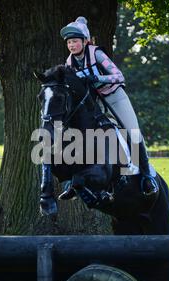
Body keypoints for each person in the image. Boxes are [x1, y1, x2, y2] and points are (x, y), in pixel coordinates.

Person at [57, 16, 159, 200]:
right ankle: (72, 181)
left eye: (75, 41)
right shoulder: (69, 62)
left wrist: (98, 79)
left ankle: (146, 176)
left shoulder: (97, 54)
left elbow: (119, 76)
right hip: (93, 102)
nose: (72, 45)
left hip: (114, 97)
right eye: (69, 42)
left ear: (84, 41)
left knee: (132, 132)